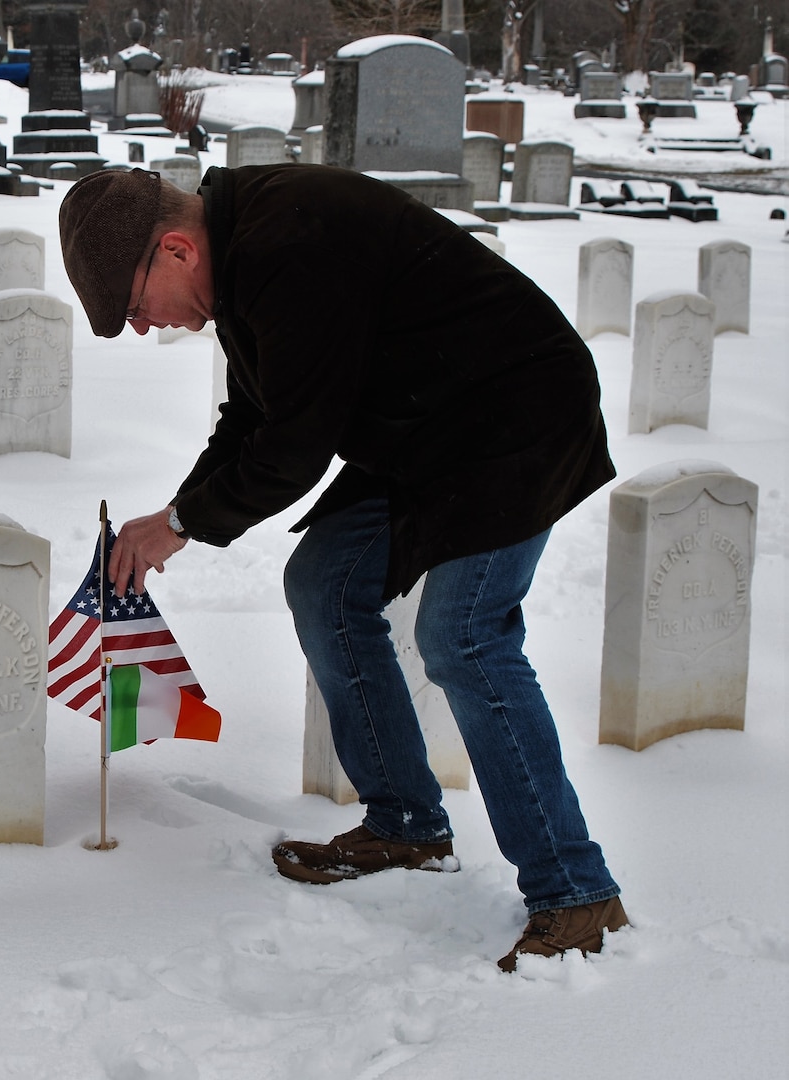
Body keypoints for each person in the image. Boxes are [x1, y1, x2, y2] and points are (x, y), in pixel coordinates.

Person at [58, 164, 629, 971]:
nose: (145, 328)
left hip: (515, 417)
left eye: (132, 307)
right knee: (324, 584)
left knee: (464, 636)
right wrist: (176, 511)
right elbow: (255, 413)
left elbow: (294, 445)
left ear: (176, 250)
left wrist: (183, 525)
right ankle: (406, 824)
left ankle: (576, 891)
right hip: (426, 427)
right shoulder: (244, 254)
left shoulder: (287, 243)